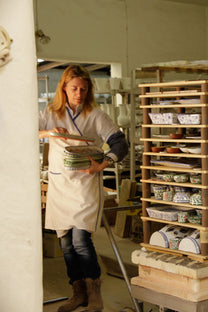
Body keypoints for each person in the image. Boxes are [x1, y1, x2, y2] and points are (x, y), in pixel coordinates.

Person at [39, 65, 129, 312]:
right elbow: (24, 130)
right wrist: (48, 132)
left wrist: (104, 163)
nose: (79, 93)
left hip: (86, 186)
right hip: (60, 186)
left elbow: (120, 143)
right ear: (64, 89)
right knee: (66, 244)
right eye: (74, 88)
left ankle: (94, 294)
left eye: (83, 89)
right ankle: (77, 293)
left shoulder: (96, 115)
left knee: (81, 241)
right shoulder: (50, 113)